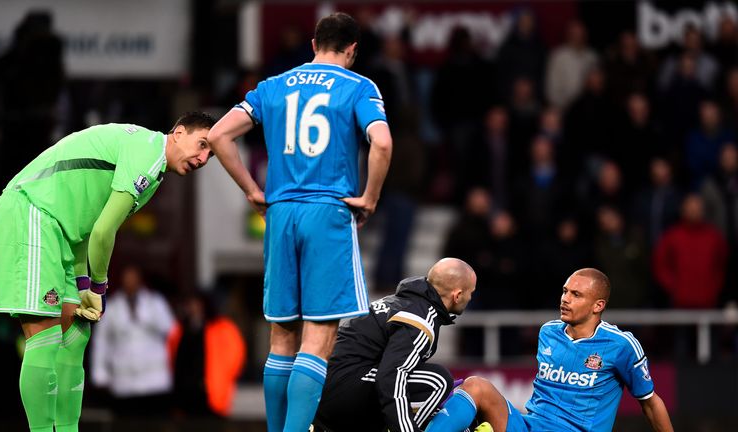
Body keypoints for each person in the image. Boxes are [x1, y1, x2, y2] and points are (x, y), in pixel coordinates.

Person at [207, 12, 392, 432]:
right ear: (352, 50)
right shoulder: (358, 86)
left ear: (313, 44)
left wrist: (253, 191)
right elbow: (381, 141)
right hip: (326, 212)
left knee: (281, 338)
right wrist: (370, 197)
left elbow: (219, 135)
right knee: (319, 337)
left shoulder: (272, 86)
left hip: (281, 214)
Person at [0, 112, 217, 432]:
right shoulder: (149, 153)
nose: (204, 157)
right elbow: (103, 231)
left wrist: (83, 282)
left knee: (77, 335)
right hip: (32, 212)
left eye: (211, 154)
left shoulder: (153, 167)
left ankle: (67, 429)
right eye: (202, 144)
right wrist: (98, 287)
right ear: (177, 133)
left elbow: (88, 224)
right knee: (46, 336)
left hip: (63, 232)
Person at [426, 268, 674, 432]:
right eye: (565, 291)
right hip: (530, 426)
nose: (565, 299)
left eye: (576, 295)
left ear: (598, 305)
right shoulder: (549, 331)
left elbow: (650, 403)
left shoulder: (621, 345)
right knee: (476, 386)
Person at [313, 258, 477, 432]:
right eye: (471, 293)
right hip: (342, 392)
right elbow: (391, 376)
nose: (470, 297)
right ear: (457, 295)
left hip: (326, 390)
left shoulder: (404, 302)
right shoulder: (422, 320)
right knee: (438, 380)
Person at [90, 265, 175, 418]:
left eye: (133, 278)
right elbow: (101, 342)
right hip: (124, 382)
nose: (130, 282)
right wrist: (100, 373)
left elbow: (171, 330)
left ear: (139, 280)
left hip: (154, 382)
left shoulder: (154, 302)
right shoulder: (113, 306)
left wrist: (145, 315)